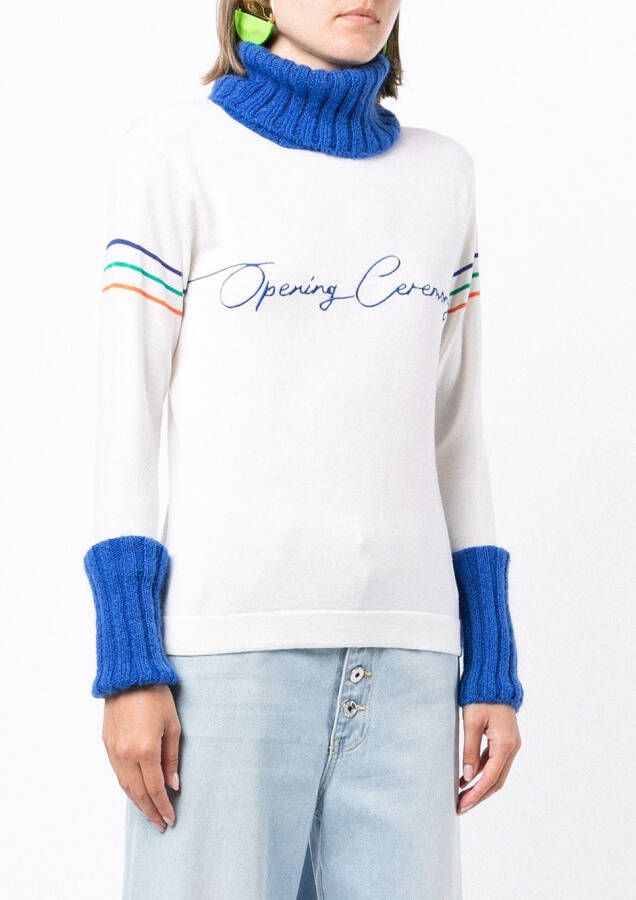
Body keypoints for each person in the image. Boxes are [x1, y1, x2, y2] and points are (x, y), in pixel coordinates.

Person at [83, 1, 524, 897]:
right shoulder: (175, 151)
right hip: (224, 659)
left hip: (411, 661)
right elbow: (125, 418)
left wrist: (492, 660)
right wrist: (128, 664)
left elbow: (455, 429)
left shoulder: (443, 175)